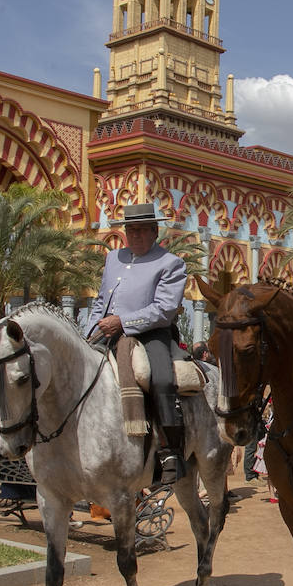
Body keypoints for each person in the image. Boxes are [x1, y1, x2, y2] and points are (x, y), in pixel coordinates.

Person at [89, 202, 188, 485]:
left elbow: (164, 310)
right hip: (106, 331)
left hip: (151, 334)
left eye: (143, 230)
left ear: (155, 231)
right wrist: (90, 330)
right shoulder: (112, 258)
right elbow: (100, 301)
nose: (137, 235)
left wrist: (122, 321)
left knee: (161, 380)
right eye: (132, 230)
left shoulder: (171, 263)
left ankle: (171, 451)